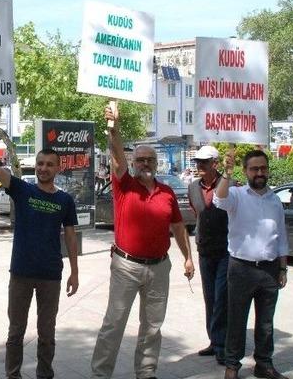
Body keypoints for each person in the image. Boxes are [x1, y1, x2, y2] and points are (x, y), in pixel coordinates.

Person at [0, 108, 79, 379]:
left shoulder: (65, 200)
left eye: (49, 164)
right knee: (15, 333)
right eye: (40, 163)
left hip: (50, 276)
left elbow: (70, 236)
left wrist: (75, 273)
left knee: (47, 334)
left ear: (58, 168)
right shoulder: (23, 190)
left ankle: (45, 374)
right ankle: (13, 375)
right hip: (20, 273)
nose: (44, 168)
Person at [91, 104, 194, 379]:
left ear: (156, 163)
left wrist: (187, 257)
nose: (145, 163)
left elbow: (178, 226)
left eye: (150, 159)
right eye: (140, 160)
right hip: (126, 267)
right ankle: (100, 375)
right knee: (114, 324)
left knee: (152, 327)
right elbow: (116, 157)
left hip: (159, 268)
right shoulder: (123, 185)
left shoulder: (167, 192)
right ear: (133, 164)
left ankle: (146, 372)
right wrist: (114, 129)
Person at [214, 148, 289, 379]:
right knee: (236, 319)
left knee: (266, 322)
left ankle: (263, 364)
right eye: (254, 168)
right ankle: (232, 365)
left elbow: (281, 236)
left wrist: (283, 267)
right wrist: (226, 173)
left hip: (269, 269)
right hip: (241, 269)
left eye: (263, 168)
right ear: (246, 171)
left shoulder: (275, 199)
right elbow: (219, 199)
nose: (259, 172)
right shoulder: (237, 195)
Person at [188, 145, 234, 365]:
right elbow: (198, 215)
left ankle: (222, 345)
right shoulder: (193, 187)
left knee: (221, 297)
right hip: (205, 249)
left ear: (215, 164)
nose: (200, 166)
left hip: (226, 250)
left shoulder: (230, 185)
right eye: (198, 162)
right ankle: (214, 341)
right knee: (210, 297)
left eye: (204, 162)